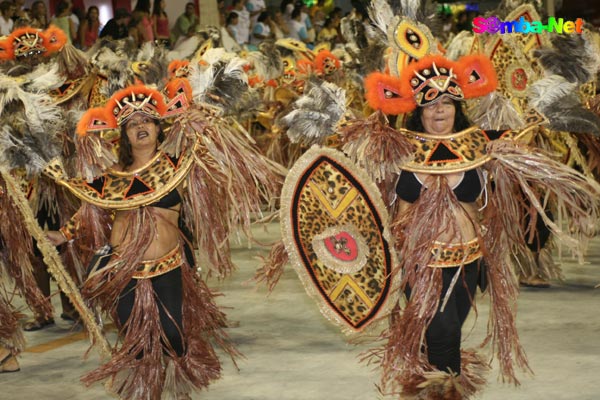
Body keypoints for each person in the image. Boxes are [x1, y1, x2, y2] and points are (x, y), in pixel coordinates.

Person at [41, 82, 283, 400]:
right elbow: (91, 210)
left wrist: (200, 121)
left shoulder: (179, 165)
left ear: (158, 127)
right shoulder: (114, 175)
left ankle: (173, 379)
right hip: (124, 265)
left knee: (172, 335)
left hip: (167, 262)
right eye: (132, 124)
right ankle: (147, 389)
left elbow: (217, 162)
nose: (140, 127)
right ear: (124, 135)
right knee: (133, 338)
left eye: (146, 121)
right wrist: (62, 234)